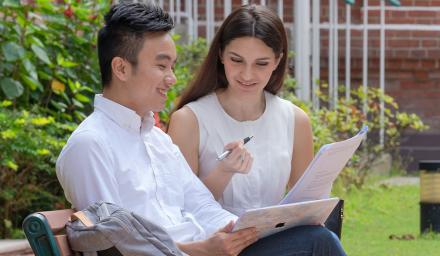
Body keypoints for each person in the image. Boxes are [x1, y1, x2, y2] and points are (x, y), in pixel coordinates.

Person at [55, 2, 345, 255]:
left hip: (208, 250)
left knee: (317, 236)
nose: (171, 78)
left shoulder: (156, 140)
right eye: (162, 66)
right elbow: (113, 248)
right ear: (120, 68)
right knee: (317, 243)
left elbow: (201, 205)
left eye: (172, 66)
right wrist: (202, 251)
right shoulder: (91, 145)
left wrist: (240, 232)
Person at [167, 5, 313, 216]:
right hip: (214, 240)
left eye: (261, 64)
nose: (247, 75)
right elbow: (179, 208)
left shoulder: (295, 120)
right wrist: (223, 172)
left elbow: (306, 203)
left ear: (277, 61)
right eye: (237, 60)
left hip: (274, 239)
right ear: (221, 54)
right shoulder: (189, 120)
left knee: (321, 237)